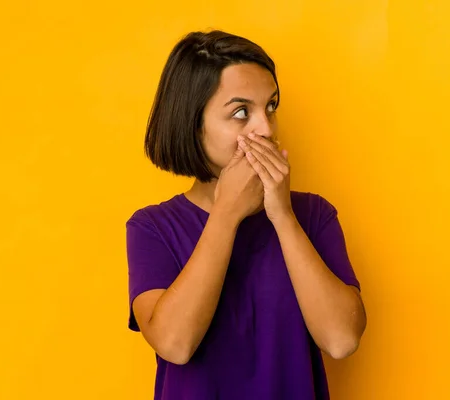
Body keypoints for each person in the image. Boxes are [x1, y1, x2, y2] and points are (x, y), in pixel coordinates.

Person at [125, 30, 367, 400]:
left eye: (271, 106)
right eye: (241, 113)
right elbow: (174, 344)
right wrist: (226, 213)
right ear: (193, 124)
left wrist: (283, 216)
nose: (266, 129)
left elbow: (341, 339)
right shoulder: (152, 228)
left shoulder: (314, 215)